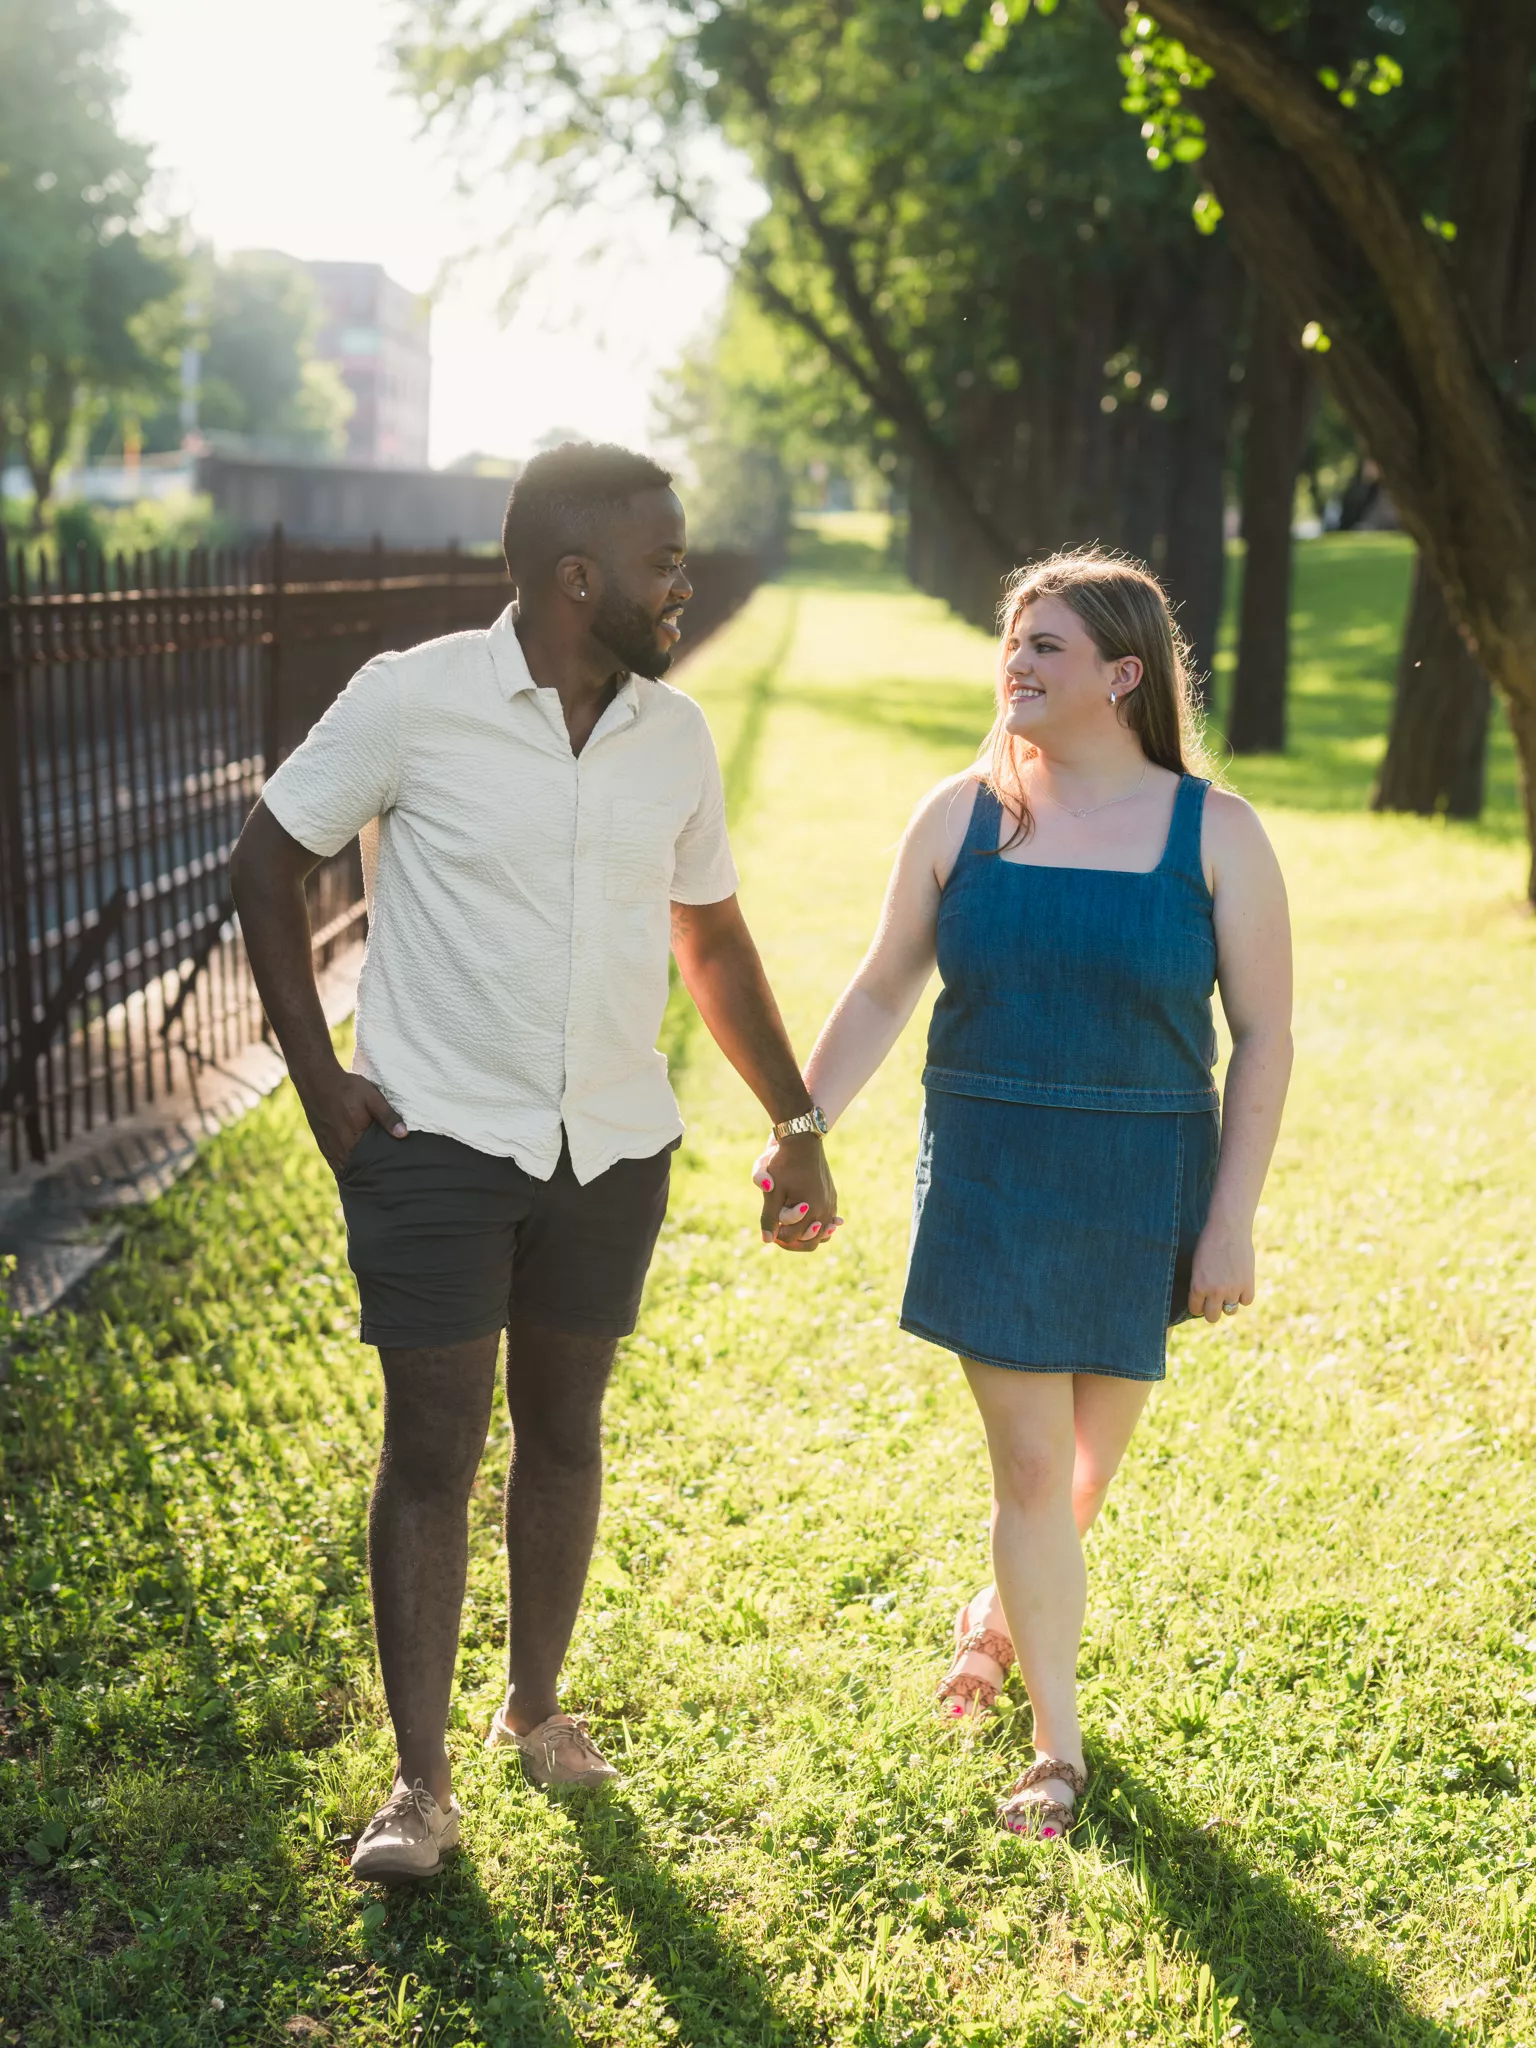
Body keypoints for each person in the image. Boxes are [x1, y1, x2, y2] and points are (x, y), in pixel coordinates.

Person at [230, 442, 838, 1883]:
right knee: (433, 1449)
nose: (683, 584)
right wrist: (323, 1089)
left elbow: (713, 941)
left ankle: (534, 1710)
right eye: (663, 563)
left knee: (564, 1431)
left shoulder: (673, 738)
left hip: (611, 1145)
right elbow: (266, 863)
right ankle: (420, 1789)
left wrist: (795, 1118)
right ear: (579, 580)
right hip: (434, 1139)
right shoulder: (411, 699)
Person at [756, 548, 1292, 1839]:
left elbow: (1265, 1035)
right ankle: (1057, 1748)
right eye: (1012, 640)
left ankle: (996, 1619)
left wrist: (1231, 1218)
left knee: (1080, 1475)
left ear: (1122, 673)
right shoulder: (960, 817)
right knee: (1034, 1466)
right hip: (993, 1184)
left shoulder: (1214, 833)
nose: (1017, 663)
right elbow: (886, 985)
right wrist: (799, 1124)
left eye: (1045, 645)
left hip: (1142, 1187)